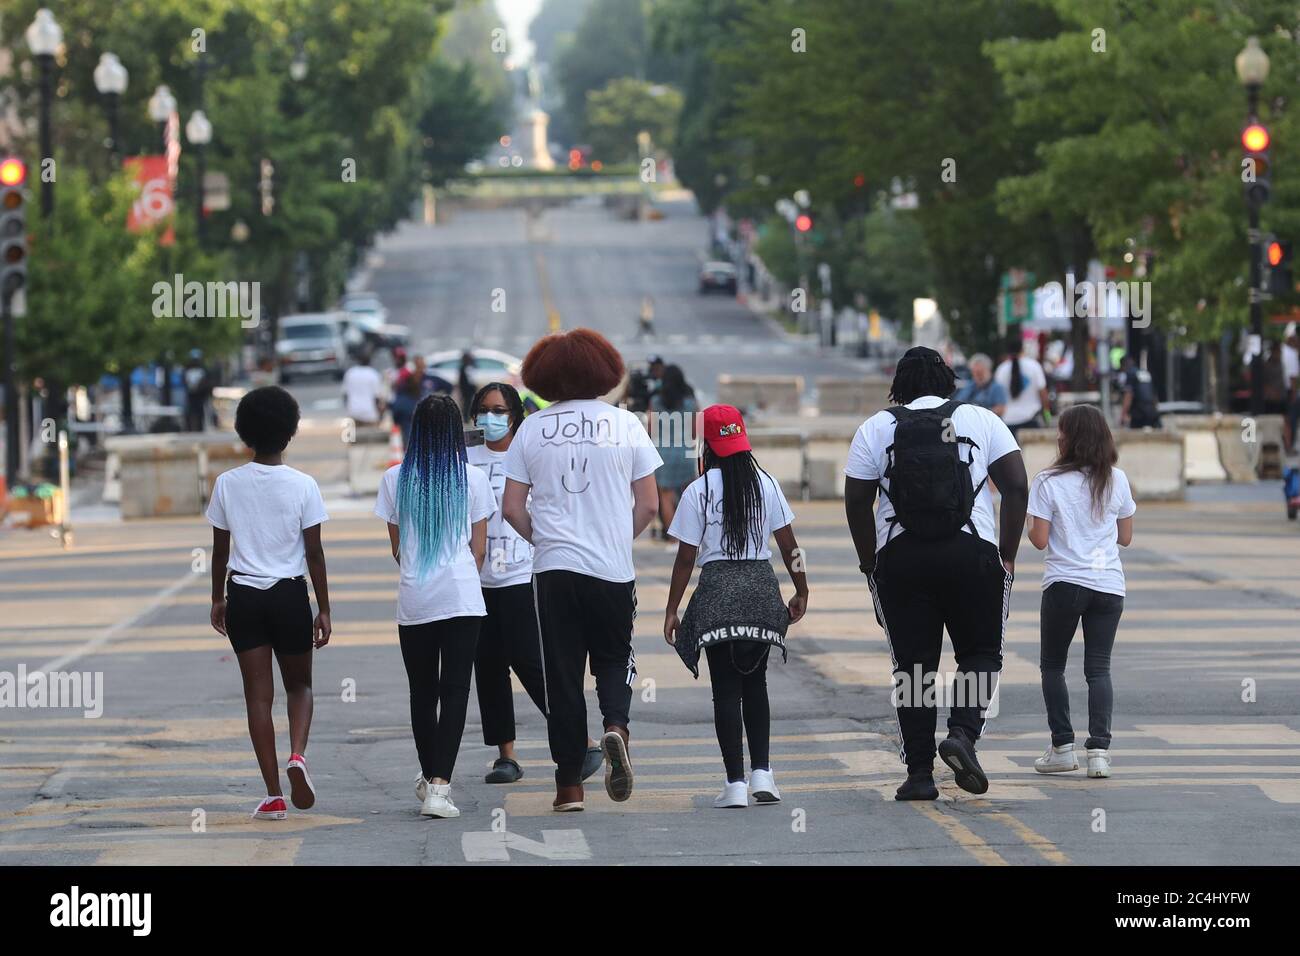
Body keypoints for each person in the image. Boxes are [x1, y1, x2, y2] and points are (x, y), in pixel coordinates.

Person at [844, 346, 1028, 801]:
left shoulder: (875, 428)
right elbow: (1018, 486)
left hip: (902, 561)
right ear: (947, 380)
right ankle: (962, 734)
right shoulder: (982, 420)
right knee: (981, 652)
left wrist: (871, 562)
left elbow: (856, 503)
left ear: (899, 385)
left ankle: (920, 775)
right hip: (973, 553)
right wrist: (1006, 554)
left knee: (913, 670)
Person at [501, 329, 661, 812]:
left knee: (562, 674)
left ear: (544, 375)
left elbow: (511, 508)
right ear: (603, 372)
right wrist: (613, 537)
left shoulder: (530, 428)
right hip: (610, 568)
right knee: (614, 658)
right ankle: (616, 725)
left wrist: (547, 542)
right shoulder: (625, 425)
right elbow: (650, 505)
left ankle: (569, 784)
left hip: (554, 570)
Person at [663, 404, 808, 808]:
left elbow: (686, 559)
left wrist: (672, 609)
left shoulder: (698, 491)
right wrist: (802, 589)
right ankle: (763, 774)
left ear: (705, 446)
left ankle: (735, 785)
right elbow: (789, 547)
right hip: (761, 591)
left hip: (717, 595)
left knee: (725, 691)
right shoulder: (767, 484)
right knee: (755, 684)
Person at [467, 381, 603, 784]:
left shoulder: (528, 454)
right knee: (488, 668)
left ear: (514, 416)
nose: (490, 418)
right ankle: (505, 755)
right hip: (476, 581)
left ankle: (583, 741)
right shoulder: (464, 458)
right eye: (484, 410)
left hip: (523, 575)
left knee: (534, 664)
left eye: (499, 410)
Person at [206, 386, 332, 821]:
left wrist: (218, 597)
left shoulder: (227, 483)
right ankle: (298, 755)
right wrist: (324, 608)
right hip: (288, 594)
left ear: (244, 434)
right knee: (300, 686)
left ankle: (274, 794)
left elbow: (220, 551)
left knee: (258, 698)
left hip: (244, 594)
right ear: (291, 432)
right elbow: (314, 552)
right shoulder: (303, 485)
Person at [374, 393, 495, 818]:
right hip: (462, 596)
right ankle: (440, 786)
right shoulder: (473, 479)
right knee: (456, 690)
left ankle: (430, 779)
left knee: (422, 692)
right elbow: (478, 550)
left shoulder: (395, 479)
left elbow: (398, 550)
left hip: (415, 597)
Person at [1027, 404, 1135, 780]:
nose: (1058, 436)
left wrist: (1034, 522)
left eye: (1061, 431)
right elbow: (1125, 536)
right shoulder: (1117, 479)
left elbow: (1039, 541)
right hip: (1108, 586)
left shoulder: (1047, 481)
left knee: (1053, 666)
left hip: (1065, 584)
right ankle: (1100, 753)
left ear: (1070, 438)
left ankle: (1062, 747)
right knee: (1098, 669)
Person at [648, 364, 700, 539]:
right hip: (685, 452)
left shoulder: (656, 402)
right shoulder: (690, 403)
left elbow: (650, 429)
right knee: (689, 496)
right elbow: (695, 431)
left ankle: (672, 540)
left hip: (663, 453)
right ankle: (690, 536)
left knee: (666, 496)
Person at [995, 336, 1050, 438]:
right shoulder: (1034, 366)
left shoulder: (1001, 370)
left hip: (1008, 421)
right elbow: (1043, 394)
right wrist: (1047, 416)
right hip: (1031, 419)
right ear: (1022, 349)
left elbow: (998, 397)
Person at [342, 350, 385, 426]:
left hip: (353, 412)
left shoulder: (350, 373)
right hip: (370, 414)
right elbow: (377, 398)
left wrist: (349, 409)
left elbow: (345, 396)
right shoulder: (373, 374)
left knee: (354, 437)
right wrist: (380, 416)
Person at [1117, 356, 1161, 429]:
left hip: (1139, 412)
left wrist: (1123, 415)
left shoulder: (1130, 373)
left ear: (1123, 366)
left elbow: (1128, 396)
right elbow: (1154, 395)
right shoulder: (1145, 373)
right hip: (1152, 411)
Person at [183, 350, 214, 432]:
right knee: (191, 411)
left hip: (200, 394)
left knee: (200, 411)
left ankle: (200, 427)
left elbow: (207, 381)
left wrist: (201, 388)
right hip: (191, 394)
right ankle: (190, 427)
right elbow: (184, 380)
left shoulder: (203, 369)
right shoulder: (187, 369)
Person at [457, 350, 477, 422]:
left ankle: (466, 417)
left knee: (467, 403)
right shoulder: (465, 367)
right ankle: (466, 417)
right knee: (467, 403)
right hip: (467, 389)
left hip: (466, 388)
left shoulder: (465, 367)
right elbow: (468, 380)